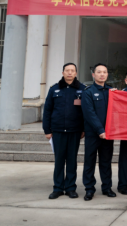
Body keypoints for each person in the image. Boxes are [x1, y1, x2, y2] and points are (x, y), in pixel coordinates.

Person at [43, 63, 86, 200]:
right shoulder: (54, 89)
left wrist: (84, 129)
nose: (70, 73)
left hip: (75, 130)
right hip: (58, 130)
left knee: (72, 161)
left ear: (76, 73)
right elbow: (47, 110)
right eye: (67, 70)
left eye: (72, 70)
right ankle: (57, 188)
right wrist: (47, 129)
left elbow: (86, 112)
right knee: (59, 160)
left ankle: (70, 188)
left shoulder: (82, 89)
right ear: (63, 73)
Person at [81, 63, 115, 200]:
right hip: (93, 133)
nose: (102, 74)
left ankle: (107, 188)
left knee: (106, 162)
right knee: (89, 162)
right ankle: (89, 189)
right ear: (93, 75)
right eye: (99, 72)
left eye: (104, 72)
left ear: (107, 75)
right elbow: (89, 113)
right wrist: (100, 130)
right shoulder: (88, 92)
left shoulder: (112, 91)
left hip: (109, 133)